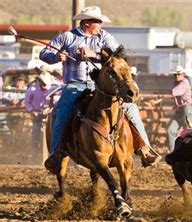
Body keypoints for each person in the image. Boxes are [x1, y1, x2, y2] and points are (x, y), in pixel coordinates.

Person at [39, 6, 159, 174]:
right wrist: (56, 57)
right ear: (86, 22)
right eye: (97, 21)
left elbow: (119, 55)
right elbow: (44, 53)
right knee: (62, 111)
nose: (101, 24)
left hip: (101, 85)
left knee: (131, 108)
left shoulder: (104, 37)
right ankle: (56, 154)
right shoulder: (67, 37)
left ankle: (144, 148)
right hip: (76, 84)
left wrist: (94, 54)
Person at [167, 65, 192, 152]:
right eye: (175, 74)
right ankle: (173, 152)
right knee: (171, 130)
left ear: (183, 74)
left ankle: (191, 151)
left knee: (189, 131)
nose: (177, 76)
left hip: (187, 108)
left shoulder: (184, 82)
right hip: (180, 109)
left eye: (179, 74)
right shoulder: (176, 83)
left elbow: (174, 92)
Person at [25, 72, 54, 155]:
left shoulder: (52, 89)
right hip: (37, 114)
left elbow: (56, 101)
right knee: (35, 134)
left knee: (50, 135)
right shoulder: (33, 89)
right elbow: (27, 102)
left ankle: (49, 154)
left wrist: (50, 108)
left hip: (48, 114)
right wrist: (31, 110)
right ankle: (34, 154)